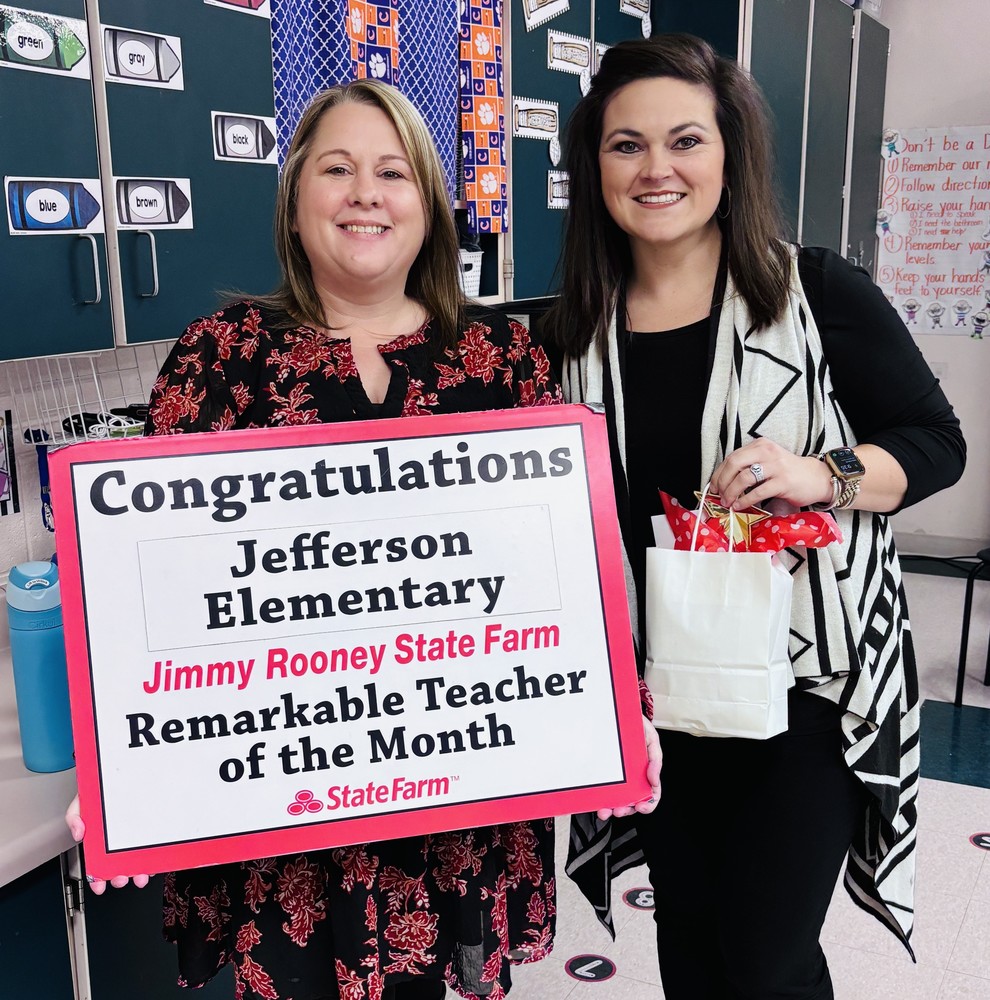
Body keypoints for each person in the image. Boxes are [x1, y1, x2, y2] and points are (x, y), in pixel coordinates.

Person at [65, 79, 661, 1000]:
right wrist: (123, 766)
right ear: (296, 196)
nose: (364, 193)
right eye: (336, 168)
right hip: (283, 806)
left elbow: (569, 580)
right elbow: (155, 597)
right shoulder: (220, 359)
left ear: (428, 204)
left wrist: (621, 715)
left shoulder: (507, 365)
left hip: (459, 794)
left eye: (392, 172)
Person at [543, 34, 965, 1000]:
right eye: (626, 146)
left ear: (730, 154)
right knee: (689, 944)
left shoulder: (815, 293)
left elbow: (937, 443)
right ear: (593, 166)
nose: (658, 169)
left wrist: (822, 472)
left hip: (806, 685)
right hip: (654, 696)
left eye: (685, 140)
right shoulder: (568, 335)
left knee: (764, 957)